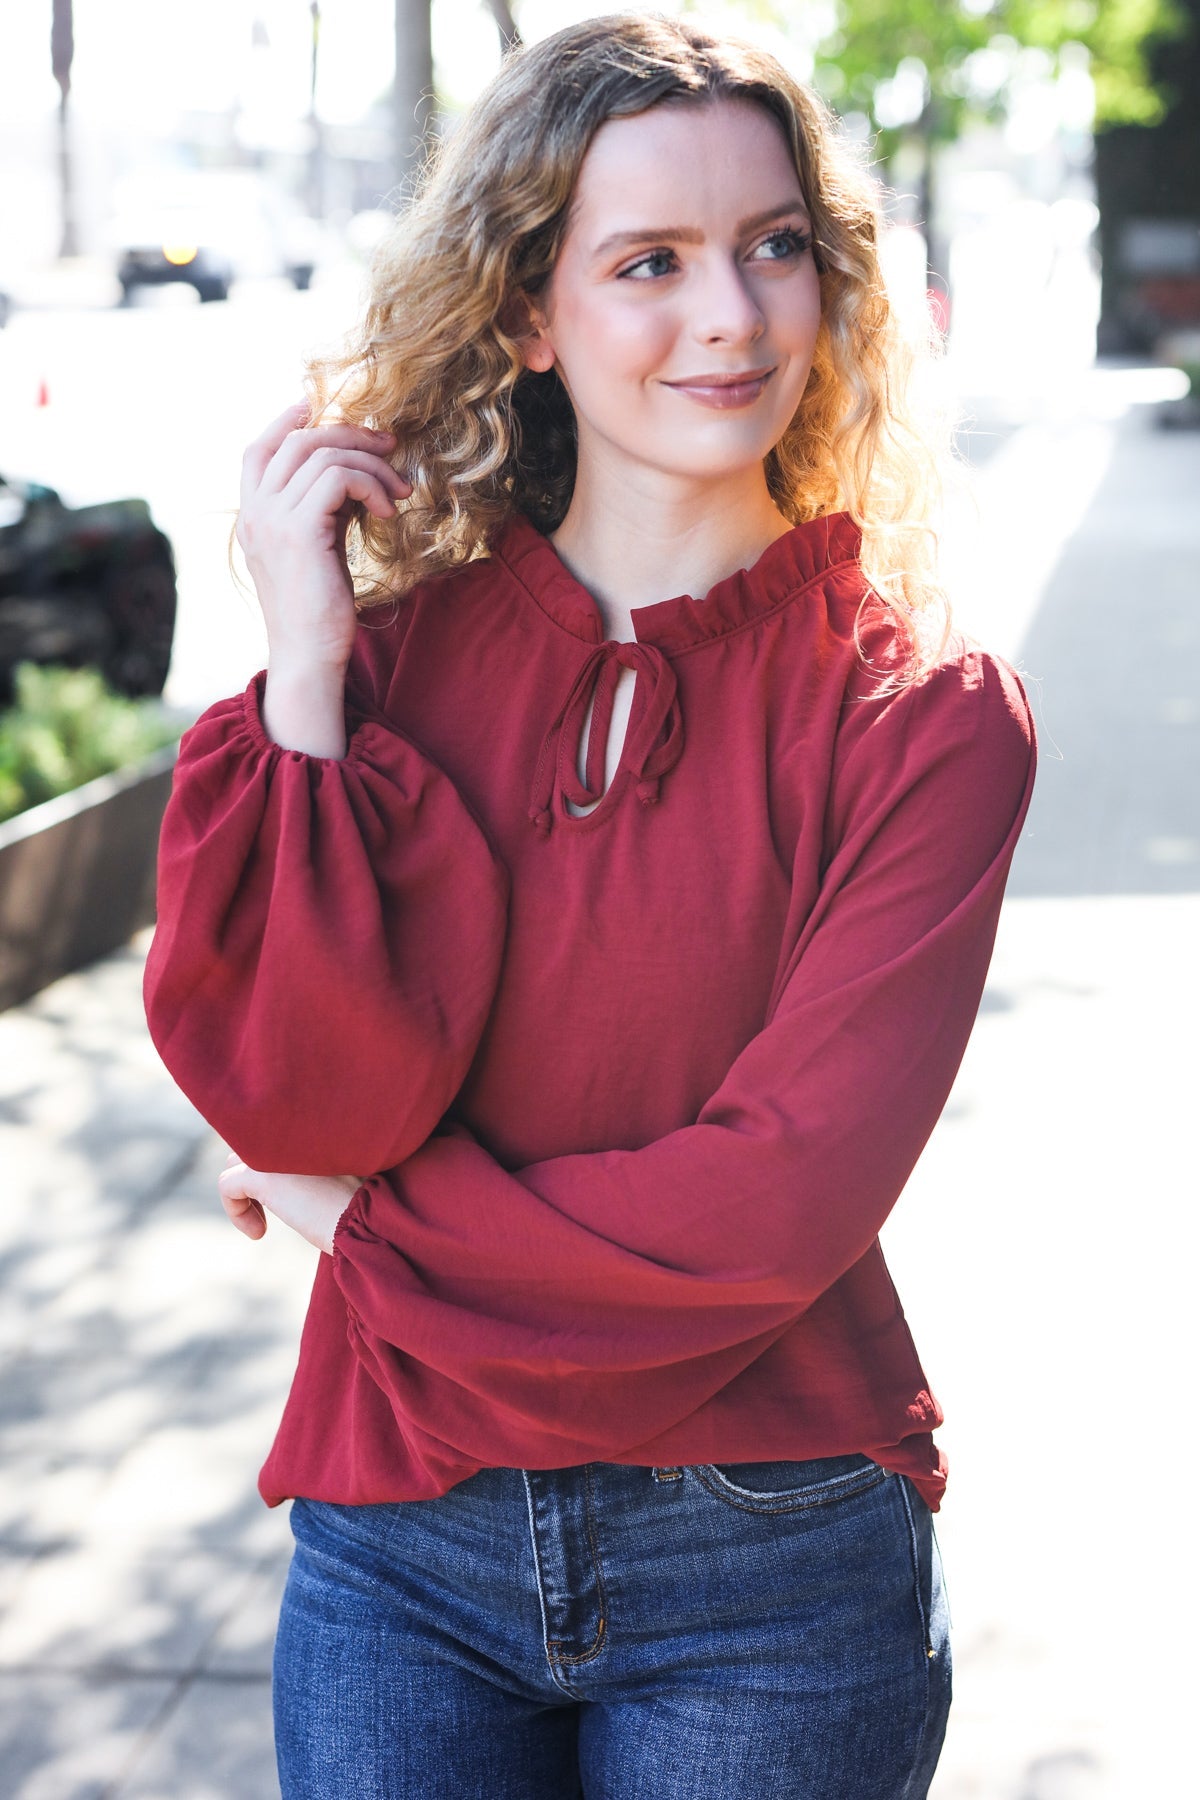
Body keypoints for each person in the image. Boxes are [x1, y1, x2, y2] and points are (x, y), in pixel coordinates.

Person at [144, 14, 1036, 1798]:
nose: (733, 313)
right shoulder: (378, 679)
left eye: (774, 245)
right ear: (532, 315)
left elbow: (766, 1209)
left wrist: (364, 1233)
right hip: (401, 1544)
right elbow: (297, 1105)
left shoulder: (923, 717)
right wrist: (306, 667)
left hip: (770, 1559)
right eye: (651, 262)